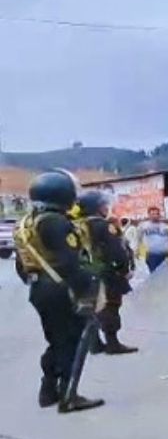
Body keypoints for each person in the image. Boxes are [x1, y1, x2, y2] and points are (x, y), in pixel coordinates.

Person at [12, 170, 105, 412]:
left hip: (40, 288)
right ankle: (68, 396)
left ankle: (48, 389)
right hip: (60, 288)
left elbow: (21, 264)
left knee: (56, 339)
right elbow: (70, 263)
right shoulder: (56, 221)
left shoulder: (27, 223)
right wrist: (87, 291)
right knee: (71, 341)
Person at [74, 190, 138, 355]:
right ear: (97, 207)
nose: (106, 207)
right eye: (103, 205)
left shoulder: (77, 225)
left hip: (85, 272)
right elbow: (117, 251)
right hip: (107, 273)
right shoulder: (104, 225)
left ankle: (94, 344)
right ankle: (113, 343)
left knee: (92, 307)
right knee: (111, 306)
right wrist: (124, 270)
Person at [137, 206, 168, 272]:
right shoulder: (143, 226)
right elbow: (137, 239)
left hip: (166, 255)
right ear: (149, 215)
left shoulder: (166, 226)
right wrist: (136, 250)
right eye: (152, 214)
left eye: (157, 214)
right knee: (155, 274)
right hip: (152, 255)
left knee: (167, 274)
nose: (155, 216)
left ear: (159, 215)